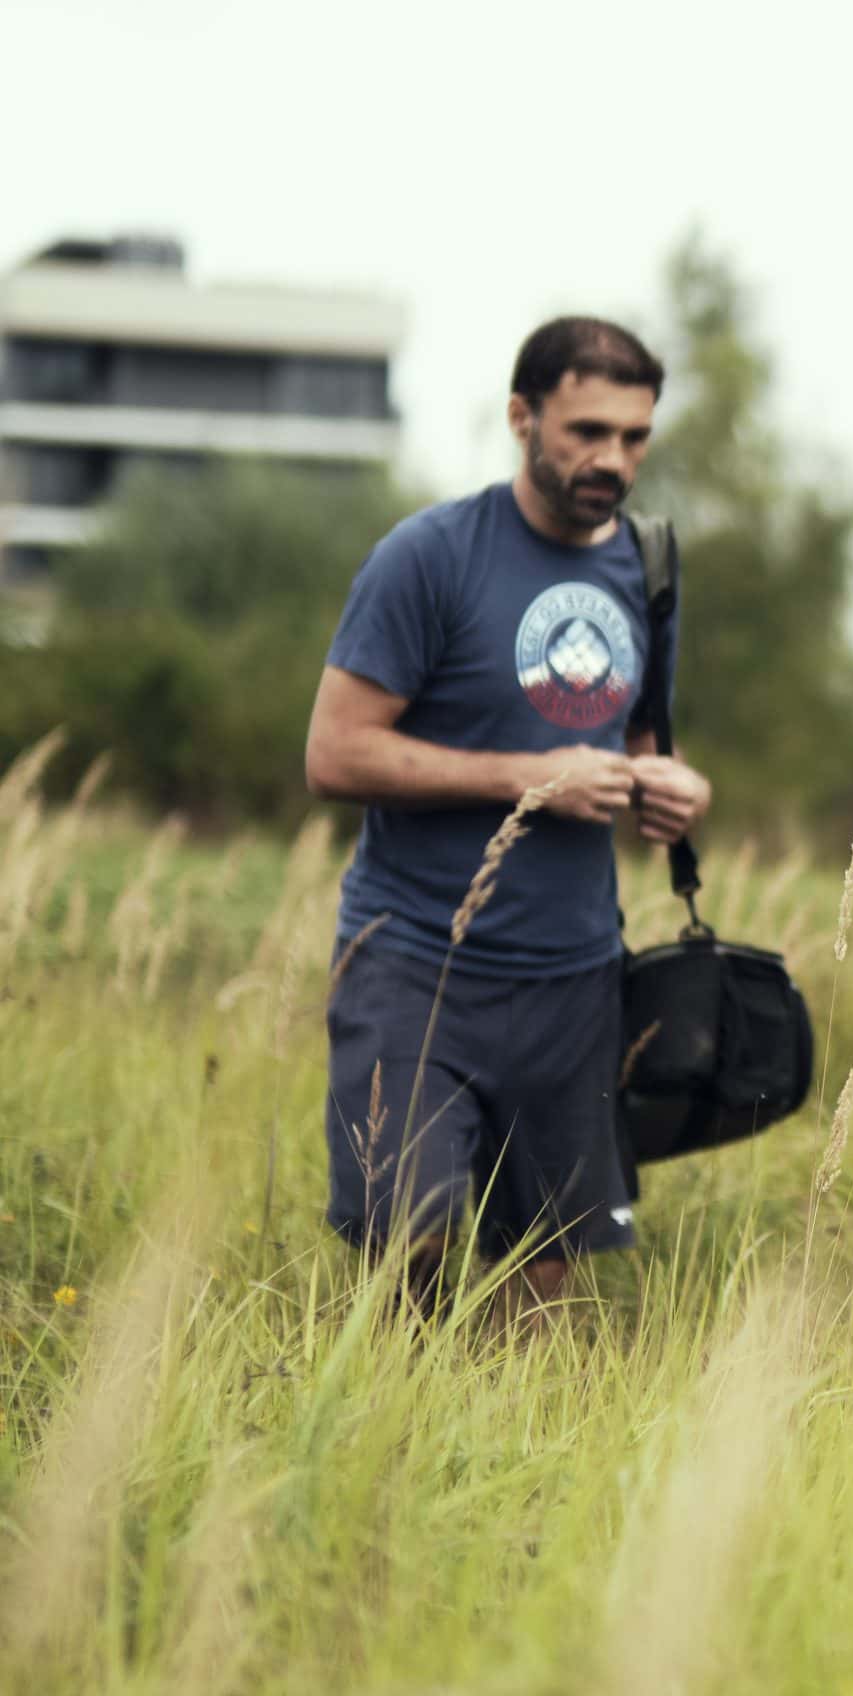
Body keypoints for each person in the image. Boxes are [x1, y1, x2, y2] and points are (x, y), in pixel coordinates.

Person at [304, 316, 712, 1318]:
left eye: (634, 436)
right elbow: (335, 752)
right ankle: (390, 1412)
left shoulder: (650, 565)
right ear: (522, 418)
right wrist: (530, 780)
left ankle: (501, 1418)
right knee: (410, 1244)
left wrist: (669, 786)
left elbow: (634, 737)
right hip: (415, 961)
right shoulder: (429, 556)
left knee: (543, 1276)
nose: (612, 459)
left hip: (575, 976)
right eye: (586, 431)